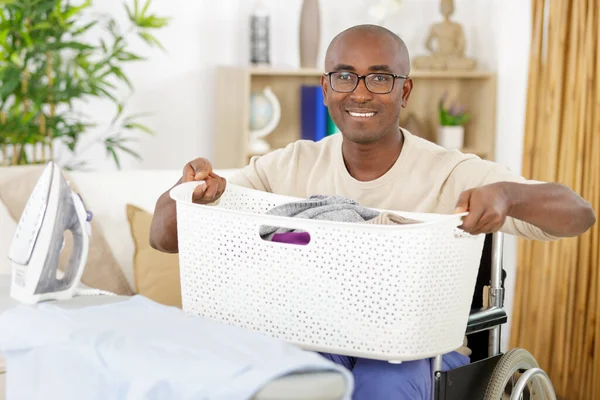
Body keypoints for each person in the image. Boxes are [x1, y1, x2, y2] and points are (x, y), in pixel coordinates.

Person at [149, 25, 596, 400]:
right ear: (325, 89)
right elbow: (164, 237)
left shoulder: (453, 172)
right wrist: (186, 187)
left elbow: (580, 214)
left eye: (380, 78)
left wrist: (507, 196)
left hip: (417, 350)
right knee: (292, 372)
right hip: (314, 336)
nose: (361, 93)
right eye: (345, 76)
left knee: (385, 379)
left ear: (406, 91)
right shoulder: (291, 164)